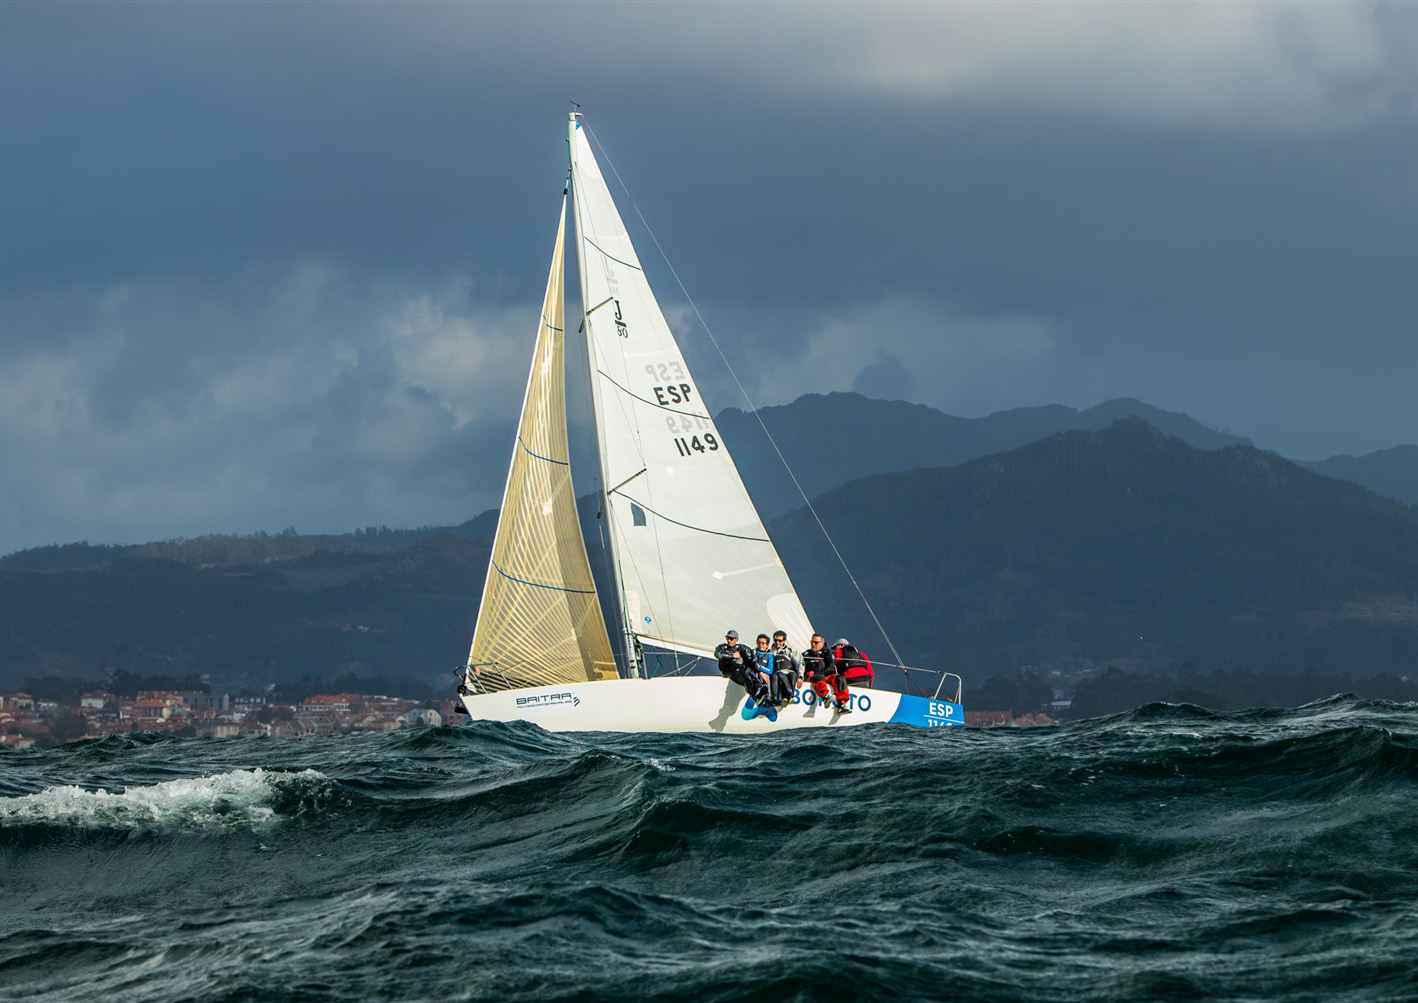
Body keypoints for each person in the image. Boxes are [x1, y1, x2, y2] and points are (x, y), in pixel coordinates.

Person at [715, 629, 769, 704]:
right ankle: (755, 697)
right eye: (727, 638)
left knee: (752, 675)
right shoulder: (722, 647)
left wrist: (759, 671)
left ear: (736, 639)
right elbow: (717, 654)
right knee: (746, 678)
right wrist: (732, 656)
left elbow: (751, 659)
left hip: (741, 669)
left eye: (731, 639)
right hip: (729, 670)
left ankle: (761, 692)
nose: (729, 641)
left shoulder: (741, 647)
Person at [801, 633, 850, 712]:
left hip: (824, 676)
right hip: (811, 677)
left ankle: (842, 704)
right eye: (812, 642)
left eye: (816, 643)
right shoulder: (806, 654)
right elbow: (799, 666)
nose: (813, 644)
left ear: (822, 643)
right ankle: (825, 697)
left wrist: (821, 673)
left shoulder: (827, 653)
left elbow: (831, 667)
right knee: (818, 676)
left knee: (840, 678)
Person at [751, 633, 788, 705]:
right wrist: (760, 672)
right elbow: (750, 665)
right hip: (754, 679)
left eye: (763, 643)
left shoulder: (769, 656)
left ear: (767, 645)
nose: (760, 645)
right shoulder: (752, 653)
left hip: (765, 681)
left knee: (771, 677)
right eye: (759, 643)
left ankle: (769, 698)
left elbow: (770, 670)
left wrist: (760, 668)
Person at [769, 630, 801, 706]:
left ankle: (789, 697)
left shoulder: (790, 651)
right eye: (775, 640)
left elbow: (799, 663)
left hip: (789, 671)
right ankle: (787, 694)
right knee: (780, 674)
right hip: (778, 672)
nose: (777, 643)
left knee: (793, 675)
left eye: (780, 641)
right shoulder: (770, 651)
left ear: (784, 641)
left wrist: (800, 677)